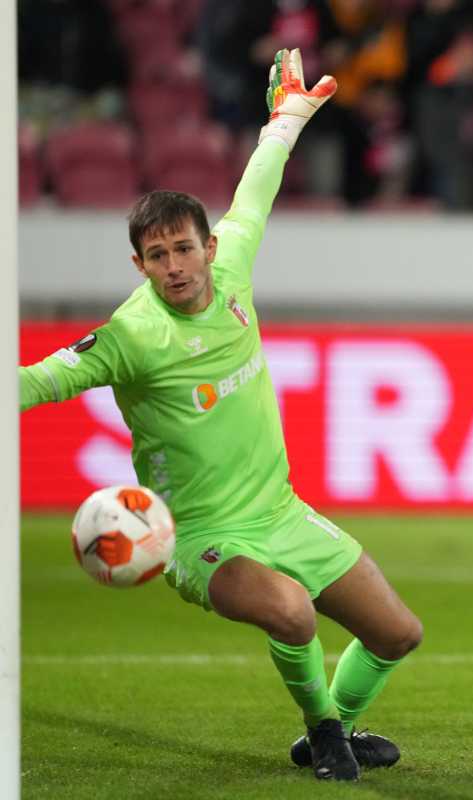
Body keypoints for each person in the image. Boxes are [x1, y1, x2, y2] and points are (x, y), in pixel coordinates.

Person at [18, 50, 422, 782]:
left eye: (182, 249)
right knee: (292, 612)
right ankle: (325, 732)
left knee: (397, 633)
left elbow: (256, 190)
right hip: (199, 535)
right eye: (156, 256)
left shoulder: (231, 267)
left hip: (280, 512)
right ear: (139, 265)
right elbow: (40, 381)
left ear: (207, 247)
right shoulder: (132, 336)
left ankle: (333, 728)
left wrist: (286, 120)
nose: (173, 266)